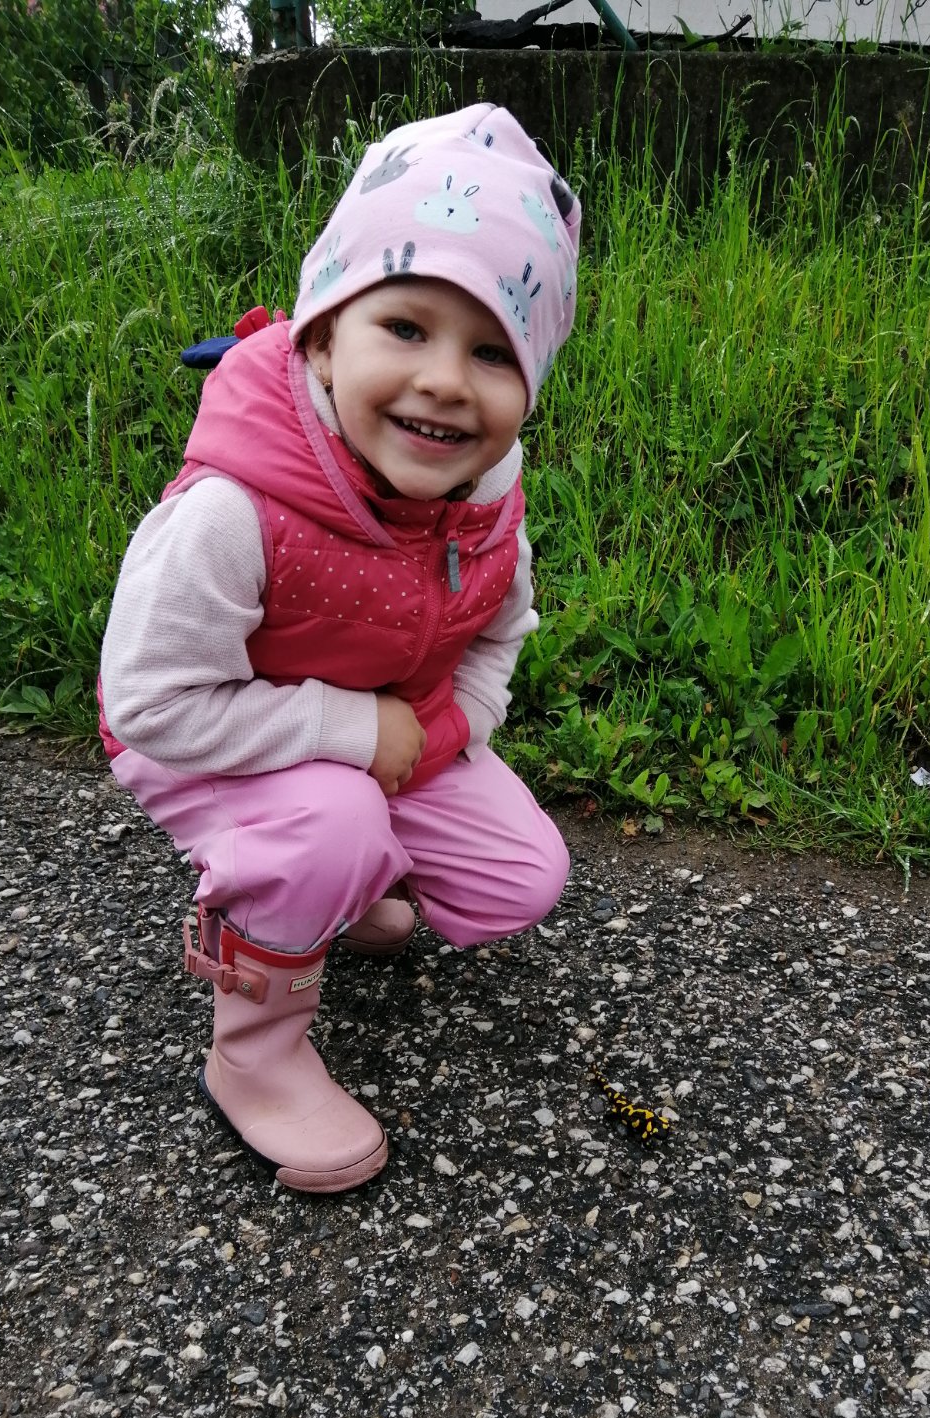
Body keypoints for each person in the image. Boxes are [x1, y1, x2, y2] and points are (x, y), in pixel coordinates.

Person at [98, 104, 581, 1194]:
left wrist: (444, 732)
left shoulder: (486, 509)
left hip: (379, 732)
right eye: (405, 327)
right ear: (321, 336)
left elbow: (499, 636)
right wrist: (354, 732)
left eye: (493, 351)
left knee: (523, 874)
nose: (446, 380)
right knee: (330, 827)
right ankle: (253, 1056)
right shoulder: (236, 509)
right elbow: (149, 703)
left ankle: (332, 883)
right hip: (200, 734)